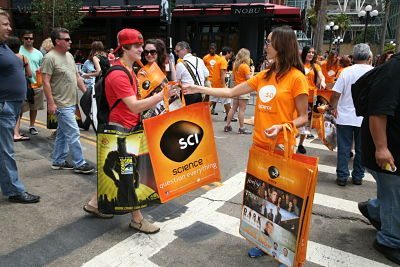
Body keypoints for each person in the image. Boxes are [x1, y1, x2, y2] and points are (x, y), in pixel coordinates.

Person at [183, 26, 308, 259]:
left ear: (281, 45)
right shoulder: (265, 75)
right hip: (259, 147)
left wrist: (282, 127)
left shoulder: (297, 78)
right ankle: (264, 243)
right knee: (262, 201)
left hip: (282, 149)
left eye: (269, 42)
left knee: (283, 205)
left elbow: (303, 117)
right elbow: (231, 93)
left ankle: (287, 253)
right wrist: (197, 88)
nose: (266, 46)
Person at [84, 28, 178, 234]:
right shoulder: (119, 74)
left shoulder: (129, 69)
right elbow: (134, 106)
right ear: (124, 48)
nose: (141, 49)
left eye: (141, 45)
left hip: (127, 129)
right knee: (130, 174)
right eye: (136, 46)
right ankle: (137, 219)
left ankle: (94, 203)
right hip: (122, 132)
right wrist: (163, 95)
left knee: (123, 172)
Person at [358, 51, 400, 265]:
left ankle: (374, 209)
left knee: (393, 194)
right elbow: (378, 112)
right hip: (388, 149)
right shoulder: (394, 70)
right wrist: (381, 147)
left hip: (390, 146)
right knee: (395, 194)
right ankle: (390, 240)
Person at [41, 27, 95, 174]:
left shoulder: (70, 56)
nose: (70, 41)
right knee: (74, 132)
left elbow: (77, 77)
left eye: (69, 39)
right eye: (66, 39)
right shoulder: (49, 58)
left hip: (72, 102)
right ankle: (79, 163)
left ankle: (58, 161)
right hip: (61, 104)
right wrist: (51, 103)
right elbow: (45, 82)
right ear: (57, 41)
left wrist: (87, 93)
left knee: (63, 134)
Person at [0, 9, 40, 204]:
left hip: (11, 106)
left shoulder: (4, 46)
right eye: (5, 24)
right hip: (3, 106)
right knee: (6, 151)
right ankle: (15, 190)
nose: (9, 27)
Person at [329, 44, 373, 186]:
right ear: (369, 57)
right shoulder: (374, 72)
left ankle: (342, 176)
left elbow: (336, 94)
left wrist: (332, 107)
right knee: (361, 149)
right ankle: (358, 176)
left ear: (353, 57)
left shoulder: (346, 72)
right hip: (365, 117)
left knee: (344, 148)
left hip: (345, 115)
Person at [297, 46, 326, 154]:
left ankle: (300, 144)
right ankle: (290, 140)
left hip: (310, 98)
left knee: (306, 122)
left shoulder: (316, 66)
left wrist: (322, 81)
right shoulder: (297, 65)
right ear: (304, 53)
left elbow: (321, 75)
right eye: (309, 52)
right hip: (297, 96)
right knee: (294, 119)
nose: (311, 54)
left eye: (313, 52)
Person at [7, 36, 32, 142]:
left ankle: (8, 132)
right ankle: (16, 133)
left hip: (5, 87)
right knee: (17, 112)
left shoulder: (5, 56)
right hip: (18, 87)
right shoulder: (22, 58)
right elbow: (30, 74)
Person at [19, 30, 44, 136]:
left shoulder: (38, 53)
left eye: (30, 38)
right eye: (26, 38)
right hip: (21, 83)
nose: (28, 40)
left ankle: (32, 126)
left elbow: (42, 68)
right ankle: (16, 128)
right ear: (22, 39)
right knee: (20, 108)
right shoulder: (18, 50)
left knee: (34, 107)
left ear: (33, 40)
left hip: (36, 84)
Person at [224, 48, 253, 134]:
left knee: (233, 108)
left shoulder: (235, 65)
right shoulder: (245, 66)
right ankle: (241, 128)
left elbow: (232, 78)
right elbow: (249, 79)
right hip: (244, 89)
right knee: (242, 110)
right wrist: (253, 71)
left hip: (237, 89)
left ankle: (227, 125)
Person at [209, 46, 234, 121]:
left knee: (214, 100)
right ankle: (229, 116)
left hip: (216, 84)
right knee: (226, 100)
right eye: (230, 54)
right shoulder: (223, 61)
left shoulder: (219, 59)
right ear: (227, 53)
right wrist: (224, 86)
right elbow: (222, 75)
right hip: (219, 85)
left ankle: (228, 116)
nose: (231, 56)